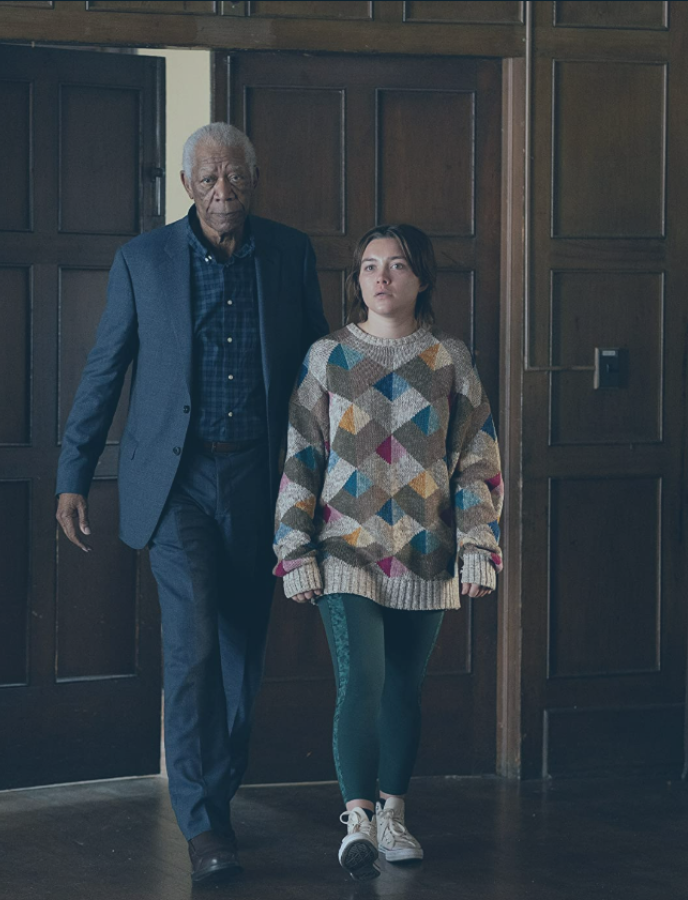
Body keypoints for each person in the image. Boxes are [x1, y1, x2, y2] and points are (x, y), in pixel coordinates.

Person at [55, 122, 329, 883]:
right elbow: (104, 369)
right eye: (207, 179)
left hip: (262, 480)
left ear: (253, 180)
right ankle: (205, 822)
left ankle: (220, 781)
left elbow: (318, 374)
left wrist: (335, 480)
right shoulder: (142, 260)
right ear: (185, 188)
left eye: (234, 177)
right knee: (195, 645)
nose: (222, 191)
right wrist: (71, 472)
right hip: (176, 487)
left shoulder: (289, 252)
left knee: (244, 654)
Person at [272, 223, 503, 881]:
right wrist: (294, 548)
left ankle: (394, 814)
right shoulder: (329, 358)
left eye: (397, 266)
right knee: (363, 681)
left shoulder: (450, 360)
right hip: (345, 550)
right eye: (370, 266)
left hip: (429, 549)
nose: (381, 277)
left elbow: (477, 460)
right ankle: (358, 819)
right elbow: (302, 455)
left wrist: (479, 546)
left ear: (421, 279)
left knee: (405, 685)